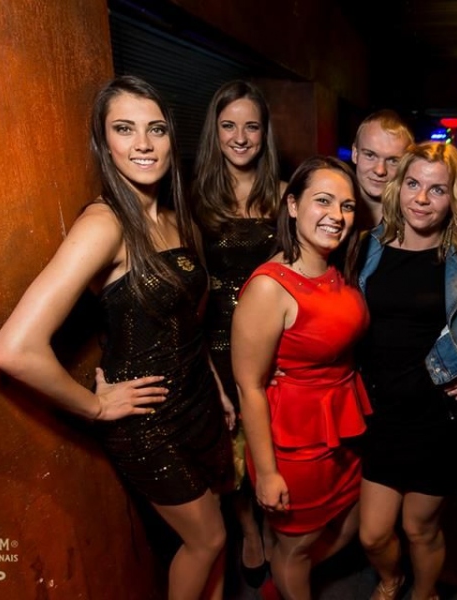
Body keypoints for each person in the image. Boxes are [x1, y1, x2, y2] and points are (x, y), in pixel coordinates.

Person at [0, 75, 234, 600]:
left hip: (196, 400)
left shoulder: (176, 218)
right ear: (104, 143)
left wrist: (214, 386)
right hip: (147, 423)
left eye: (156, 129)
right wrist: (96, 407)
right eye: (124, 129)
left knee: (215, 529)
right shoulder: (104, 224)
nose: (143, 144)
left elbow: (189, 320)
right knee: (208, 539)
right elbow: (14, 349)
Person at [356, 141, 457, 600]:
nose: (422, 199)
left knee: (419, 528)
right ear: (398, 187)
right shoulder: (368, 246)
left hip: (439, 415)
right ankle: (391, 579)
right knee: (373, 533)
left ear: (454, 197)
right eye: (413, 184)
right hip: (380, 410)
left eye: (437, 190)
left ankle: (424, 593)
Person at [231, 156, 371, 600]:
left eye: (347, 206)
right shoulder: (269, 287)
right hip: (297, 442)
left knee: (352, 523)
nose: (337, 216)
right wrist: (268, 474)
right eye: (323, 201)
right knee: (297, 546)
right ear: (292, 205)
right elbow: (250, 386)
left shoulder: (335, 267)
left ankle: (283, 572)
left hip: (341, 426)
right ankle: (288, 577)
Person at [192, 79, 282, 588]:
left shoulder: (286, 195)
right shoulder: (195, 200)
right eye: (229, 126)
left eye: (251, 126)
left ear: (265, 133)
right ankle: (249, 528)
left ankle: (273, 522)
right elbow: (190, 290)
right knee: (232, 450)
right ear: (215, 131)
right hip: (218, 343)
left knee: (273, 440)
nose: (241, 137)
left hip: (274, 341)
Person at [351, 109, 414, 230]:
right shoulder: (332, 214)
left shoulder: (414, 224)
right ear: (355, 154)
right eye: (370, 155)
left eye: (393, 161)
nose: (380, 171)